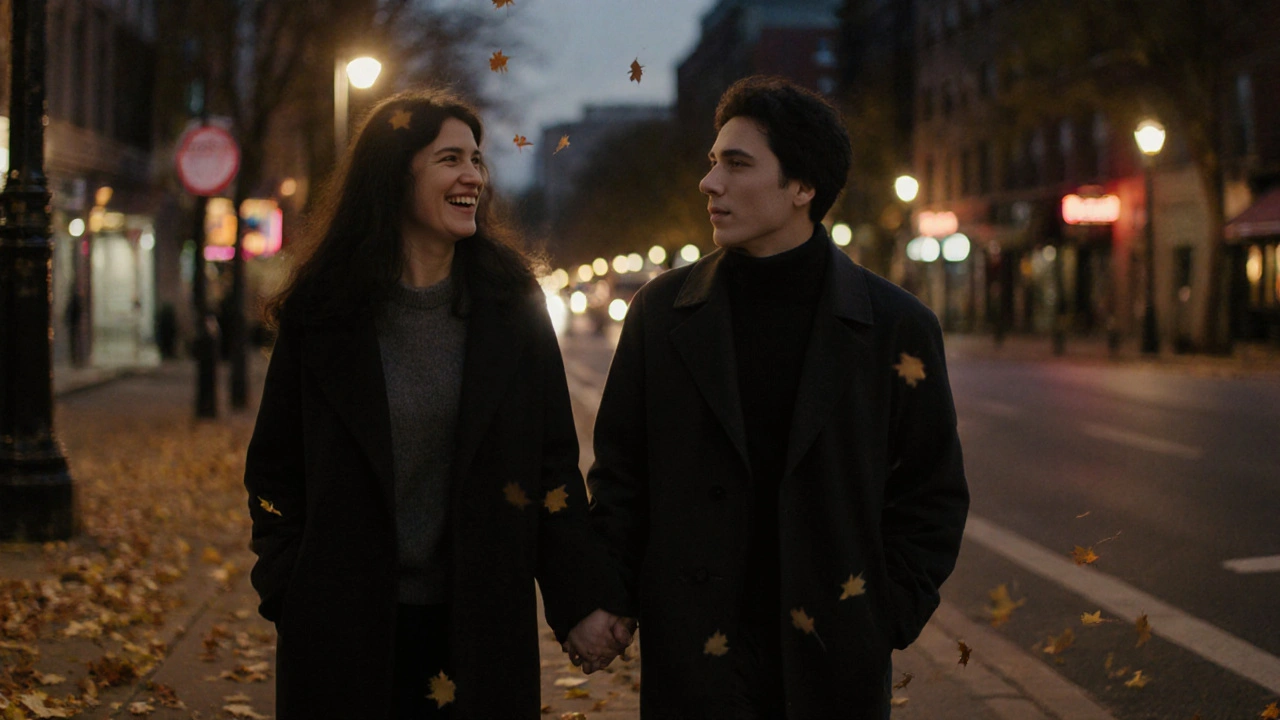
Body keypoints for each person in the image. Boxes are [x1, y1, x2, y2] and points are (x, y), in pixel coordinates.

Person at [585, 76, 970, 717]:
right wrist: (613, 598)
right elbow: (622, 476)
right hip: (696, 658)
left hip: (832, 662)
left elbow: (932, 491)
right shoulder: (661, 312)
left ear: (802, 187)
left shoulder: (895, 325)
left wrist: (881, 617)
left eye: (737, 164)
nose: (711, 183)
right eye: (713, 163)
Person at [244, 88, 633, 720]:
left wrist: (582, 602)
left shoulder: (511, 309)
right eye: (451, 158)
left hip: (478, 634)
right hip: (343, 637)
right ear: (396, 172)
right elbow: (273, 471)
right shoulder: (324, 314)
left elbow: (550, 473)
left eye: (478, 161)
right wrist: (290, 589)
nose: (472, 176)